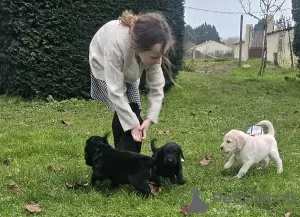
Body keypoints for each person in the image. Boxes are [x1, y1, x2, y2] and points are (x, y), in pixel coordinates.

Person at [88, 10, 174, 152]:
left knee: (134, 110)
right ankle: (120, 164)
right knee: (123, 112)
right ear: (140, 48)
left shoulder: (152, 50)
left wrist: (150, 117)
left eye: (161, 56)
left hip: (129, 68)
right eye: (154, 57)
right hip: (104, 65)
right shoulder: (115, 44)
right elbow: (115, 92)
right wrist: (131, 124)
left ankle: (127, 160)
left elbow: (157, 85)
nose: (158, 61)